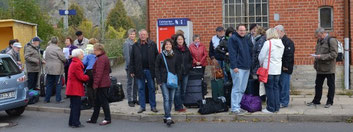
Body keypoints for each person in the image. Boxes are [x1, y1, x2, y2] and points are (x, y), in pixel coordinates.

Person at [307, 28, 338, 108]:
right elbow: (318, 52)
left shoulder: (331, 40)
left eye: (319, 36)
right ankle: (316, 100)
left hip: (329, 68)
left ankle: (329, 102)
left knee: (330, 85)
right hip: (320, 67)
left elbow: (334, 54)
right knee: (318, 85)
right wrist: (315, 58)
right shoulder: (319, 41)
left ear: (323, 33)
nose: (318, 38)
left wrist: (321, 57)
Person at [129, 29, 159, 113]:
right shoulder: (135, 45)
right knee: (141, 88)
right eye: (141, 34)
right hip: (139, 70)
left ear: (147, 35)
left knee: (152, 88)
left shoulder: (152, 44)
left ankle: (153, 106)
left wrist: (157, 69)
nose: (143, 36)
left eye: (144, 34)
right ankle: (142, 107)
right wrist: (132, 70)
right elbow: (132, 59)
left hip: (150, 70)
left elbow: (157, 57)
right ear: (139, 36)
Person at [227, 24, 253, 115]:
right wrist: (234, 66)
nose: (242, 32)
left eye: (244, 30)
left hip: (246, 67)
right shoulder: (233, 39)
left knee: (242, 89)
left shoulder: (246, 38)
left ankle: (238, 106)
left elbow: (250, 51)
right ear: (237, 30)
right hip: (238, 68)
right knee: (236, 88)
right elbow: (232, 53)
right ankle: (234, 108)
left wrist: (250, 64)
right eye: (241, 30)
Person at [258, 28, 285, 113]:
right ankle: (276, 107)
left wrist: (261, 63)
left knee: (269, 89)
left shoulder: (268, 43)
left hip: (268, 70)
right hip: (277, 70)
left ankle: (270, 108)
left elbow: (261, 56)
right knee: (276, 88)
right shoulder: (281, 43)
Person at [155, 39, 180, 126]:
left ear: (172, 45)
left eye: (169, 44)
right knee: (166, 98)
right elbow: (156, 69)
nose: (168, 46)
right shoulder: (160, 56)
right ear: (164, 46)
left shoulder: (175, 55)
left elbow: (178, 67)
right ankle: (169, 117)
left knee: (171, 99)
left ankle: (166, 116)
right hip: (163, 80)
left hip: (173, 80)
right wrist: (159, 81)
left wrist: (178, 78)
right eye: (166, 45)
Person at [87, 43, 112, 125]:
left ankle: (107, 118)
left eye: (95, 50)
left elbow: (99, 73)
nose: (94, 51)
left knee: (103, 102)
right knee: (97, 102)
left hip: (102, 84)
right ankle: (94, 118)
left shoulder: (101, 59)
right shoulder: (103, 57)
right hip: (103, 82)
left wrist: (95, 84)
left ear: (99, 50)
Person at [66, 49, 89, 128]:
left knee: (73, 106)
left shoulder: (74, 62)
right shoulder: (77, 64)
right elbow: (81, 77)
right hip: (75, 88)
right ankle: (76, 122)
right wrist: (88, 76)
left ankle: (72, 122)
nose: (83, 55)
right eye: (82, 54)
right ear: (78, 55)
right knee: (76, 106)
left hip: (72, 87)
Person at [275, 25, 295, 108]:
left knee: (284, 86)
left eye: (276, 32)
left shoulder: (288, 42)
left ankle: (284, 102)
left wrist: (285, 66)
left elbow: (289, 56)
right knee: (279, 85)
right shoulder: (278, 41)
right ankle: (280, 100)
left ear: (281, 31)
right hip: (278, 67)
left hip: (285, 67)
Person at [173, 34, 193, 112]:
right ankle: (177, 106)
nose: (180, 41)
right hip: (176, 73)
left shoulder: (187, 49)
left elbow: (190, 60)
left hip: (185, 73)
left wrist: (188, 67)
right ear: (176, 41)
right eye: (178, 39)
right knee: (177, 90)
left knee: (183, 90)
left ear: (183, 40)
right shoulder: (174, 50)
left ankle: (181, 104)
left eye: (181, 39)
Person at [44, 37, 67, 103]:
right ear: (57, 42)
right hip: (57, 69)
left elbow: (45, 57)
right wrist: (66, 60)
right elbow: (63, 58)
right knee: (58, 84)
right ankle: (58, 99)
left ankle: (47, 99)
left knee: (49, 84)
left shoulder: (47, 48)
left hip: (49, 68)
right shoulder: (57, 48)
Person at [123, 28, 138, 107]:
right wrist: (130, 68)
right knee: (129, 83)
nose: (132, 35)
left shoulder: (135, 42)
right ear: (128, 35)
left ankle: (135, 99)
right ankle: (130, 100)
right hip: (130, 67)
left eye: (134, 34)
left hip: (136, 67)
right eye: (131, 34)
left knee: (136, 83)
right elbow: (127, 57)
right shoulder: (126, 43)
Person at [82, 41, 97, 108]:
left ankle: (91, 102)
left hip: (89, 72)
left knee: (89, 87)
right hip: (96, 72)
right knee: (95, 87)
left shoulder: (88, 56)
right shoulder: (97, 57)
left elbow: (83, 63)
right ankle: (96, 101)